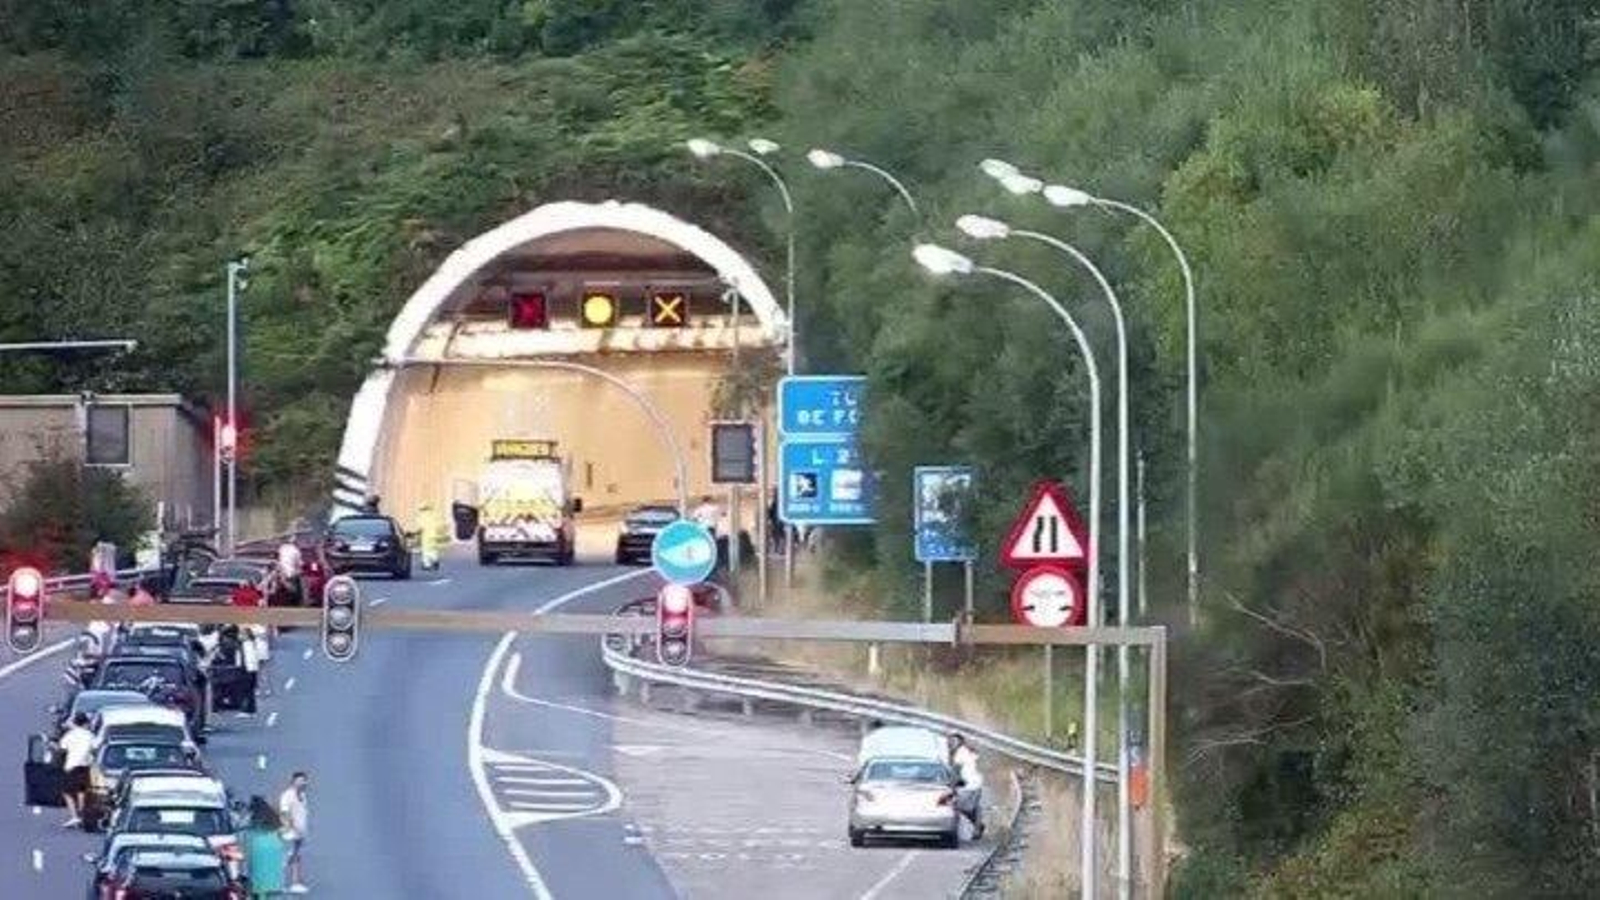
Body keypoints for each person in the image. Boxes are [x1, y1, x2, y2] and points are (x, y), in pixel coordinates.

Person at [241, 795, 288, 898]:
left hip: (257, 851)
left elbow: (242, 831)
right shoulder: (273, 819)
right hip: (273, 855)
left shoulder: (250, 821)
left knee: (258, 886)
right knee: (269, 889)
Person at [58, 712, 94, 829]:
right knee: (81, 791)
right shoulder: (89, 735)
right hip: (85, 766)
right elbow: (95, 747)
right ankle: (82, 814)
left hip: (72, 766)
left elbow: (62, 747)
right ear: (85, 723)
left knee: (67, 792)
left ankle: (74, 816)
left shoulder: (70, 735)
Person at [277, 771, 310, 893]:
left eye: (304, 780)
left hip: (299, 833)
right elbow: (284, 813)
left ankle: (294, 883)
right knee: (286, 858)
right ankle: (278, 883)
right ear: (293, 781)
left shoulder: (303, 795)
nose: (303, 782)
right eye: (300, 780)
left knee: (296, 857)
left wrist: (301, 831)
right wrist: (287, 828)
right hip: (289, 833)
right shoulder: (287, 795)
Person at [949, 732, 985, 839]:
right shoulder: (967, 751)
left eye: (954, 741)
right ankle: (978, 827)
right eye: (950, 741)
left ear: (960, 742)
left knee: (961, 807)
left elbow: (956, 771)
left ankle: (978, 827)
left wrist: (952, 786)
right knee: (972, 807)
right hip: (975, 783)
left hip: (970, 784)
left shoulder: (960, 753)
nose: (951, 744)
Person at [276, 537, 303, 606]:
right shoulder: (295, 550)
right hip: (291, 572)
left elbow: (279, 560)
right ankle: (296, 601)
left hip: (282, 571)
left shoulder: (282, 548)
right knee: (296, 586)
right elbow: (299, 563)